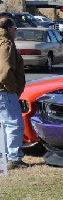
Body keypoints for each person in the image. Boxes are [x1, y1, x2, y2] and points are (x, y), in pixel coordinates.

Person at [0, 17, 26, 169]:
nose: (16, 32)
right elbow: (5, 70)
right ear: (9, 29)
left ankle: (5, 156)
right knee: (14, 124)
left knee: (3, 125)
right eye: (15, 29)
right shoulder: (6, 43)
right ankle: (14, 158)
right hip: (5, 91)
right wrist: (12, 89)